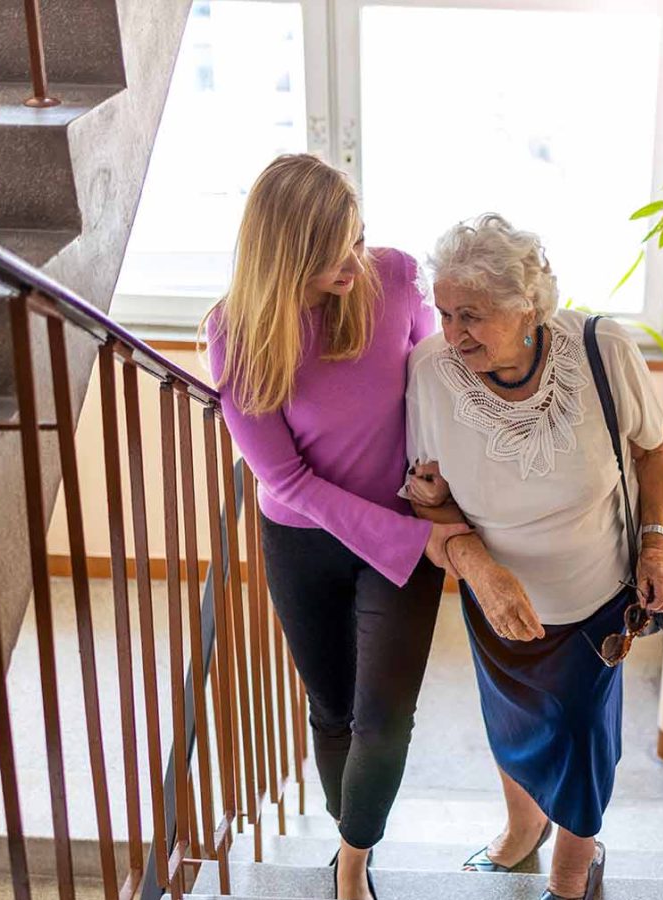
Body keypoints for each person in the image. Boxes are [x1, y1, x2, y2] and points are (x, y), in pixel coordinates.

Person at [204, 154, 468, 900]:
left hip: (402, 529)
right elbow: (285, 479)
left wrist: (435, 479)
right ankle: (352, 829)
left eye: (358, 239)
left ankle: (352, 862)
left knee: (384, 719)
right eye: (334, 254)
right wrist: (414, 540)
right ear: (285, 254)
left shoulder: (393, 275)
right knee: (333, 711)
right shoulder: (236, 333)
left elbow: (435, 379)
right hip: (304, 541)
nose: (355, 262)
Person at [401, 214, 663, 900]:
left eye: (472, 314)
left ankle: (572, 867)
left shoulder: (602, 348)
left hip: (597, 597)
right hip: (495, 598)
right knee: (514, 721)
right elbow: (428, 496)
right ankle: (523, 830)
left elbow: (652, 447)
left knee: (582, 736)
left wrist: (654, 542)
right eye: (443, 312)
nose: (453, 331)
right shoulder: (430, 372)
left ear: (527, 306)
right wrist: (479, 569)